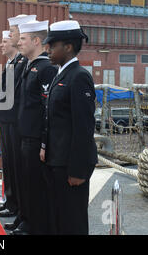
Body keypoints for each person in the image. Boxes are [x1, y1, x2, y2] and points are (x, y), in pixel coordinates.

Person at [41, 20, 98, 235]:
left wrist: (78, 170)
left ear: (68, 47)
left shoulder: (79, 76)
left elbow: (83, 127)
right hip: (57, 161)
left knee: (72, 221)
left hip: (70, 166)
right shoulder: (61, 74)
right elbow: (54, 119)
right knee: (59, 218)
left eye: (52, 45)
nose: (48, 49)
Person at [13, 20, 57, 235]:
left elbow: (47, 108)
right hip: (25, 136)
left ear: (36, 40)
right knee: (26, 183)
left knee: (36, 186)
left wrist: (43, 142)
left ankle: (36, 225)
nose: (18, 42)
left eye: (22, 38)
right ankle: (26, 219)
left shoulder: (46, 68)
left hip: (35, 138)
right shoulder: (30, 65)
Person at [0, 15, 33, 232]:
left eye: (11, 34)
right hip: (7, 120)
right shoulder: (14, 63)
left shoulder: (22, 62)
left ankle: (18, 208)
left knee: (19, 169)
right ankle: (13, 204)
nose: (6, 39)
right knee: (10, 165)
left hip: (16, 122)